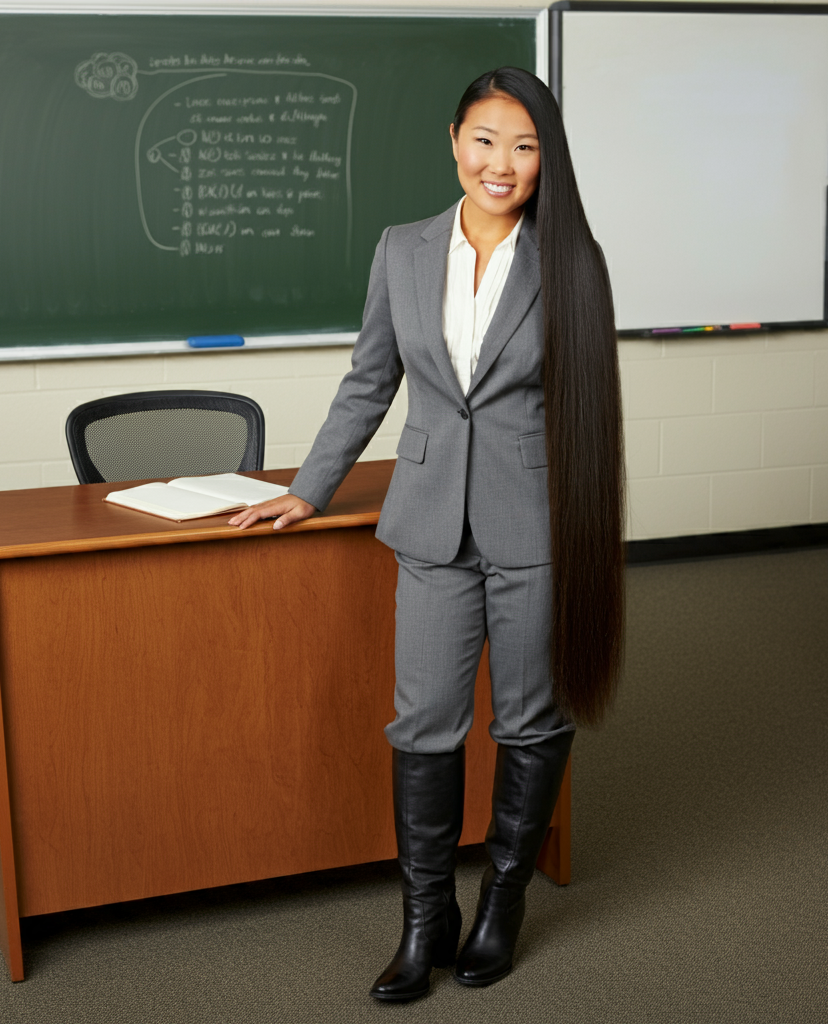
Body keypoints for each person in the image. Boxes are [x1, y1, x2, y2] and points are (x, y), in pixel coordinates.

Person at [230, 66, 624, 1003]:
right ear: (453, 142)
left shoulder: (572, 259)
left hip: (537, 525)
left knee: (530, 720)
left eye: (525, 146)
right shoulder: (402, 250)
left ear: (545, 159)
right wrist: (309, 489)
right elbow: (369, 380)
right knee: (424, 725)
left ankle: (503, 903)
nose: (503, 163)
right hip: (430, 527)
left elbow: (589, 417)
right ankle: (426, 918)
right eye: (486, 140)